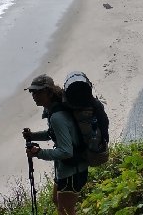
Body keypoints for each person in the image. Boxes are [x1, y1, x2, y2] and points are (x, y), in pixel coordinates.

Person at [23, 74, 88, 215]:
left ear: (49, 92)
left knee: (64, 209)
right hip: (67, 168)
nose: (34, 95)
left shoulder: (57, 117)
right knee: (57, 201)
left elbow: (66, 151)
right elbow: (53, 134)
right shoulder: (53, 110)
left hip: (73, 170)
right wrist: (33, 136)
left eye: (38, 91)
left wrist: (39, 153)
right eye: (32, 92)